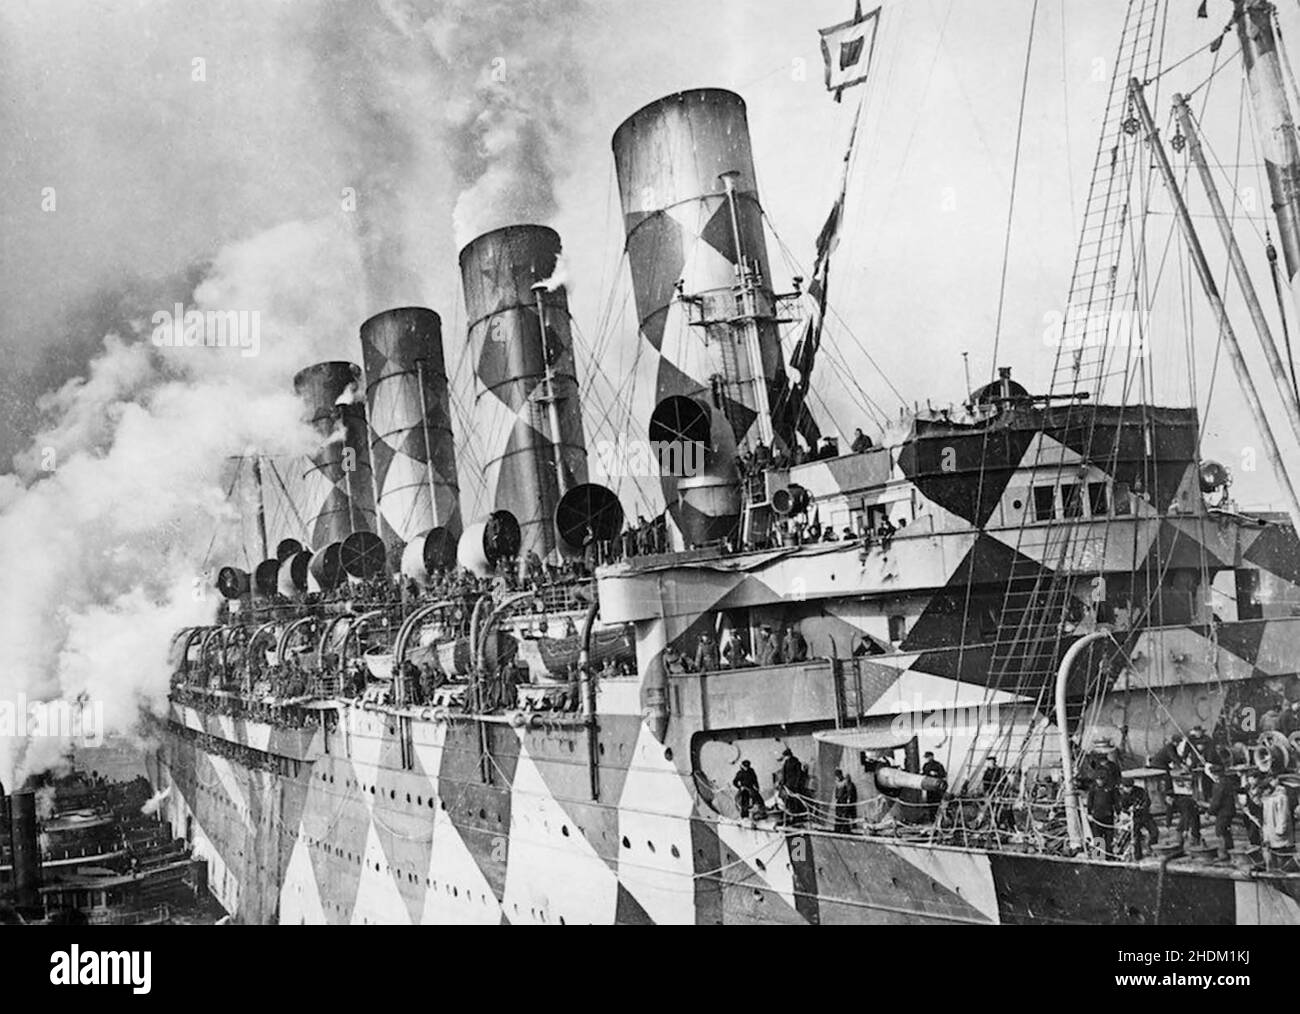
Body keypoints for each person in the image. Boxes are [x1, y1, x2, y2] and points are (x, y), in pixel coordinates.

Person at [1204, 764, 1238, 861]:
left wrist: (1209, 812)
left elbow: (1216, 801)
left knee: (1220, 831)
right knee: (1226, 831)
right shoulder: (1228, 782)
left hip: (1223, 812)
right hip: (1230, 810)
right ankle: (1231, 851)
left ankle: (1223, 854)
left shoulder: (1219, 785)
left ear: (1216, 774)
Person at [1123, 777, 1160, 860]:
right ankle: (1138, 856)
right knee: (1135, 837)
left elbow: (1147, 801)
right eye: (1126, 787)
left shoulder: (1140, 791)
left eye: (1130, 787)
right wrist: (1129, 810)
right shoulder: (1123, 795)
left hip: (1145, 815)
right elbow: (1122, 807)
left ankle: (1151, 848)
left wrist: (1141, 807)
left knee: (1155, 832)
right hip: (1134, 818)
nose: (1128, 789)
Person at [1086, 777, 1120, 858]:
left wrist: (1118, 813)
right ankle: (1098, 856)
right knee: (1097, 837)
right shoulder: (1093, 789)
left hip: (1108, 816)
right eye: (1098, 780)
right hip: (1097, 817)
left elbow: (1116, 801)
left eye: (1101, 780)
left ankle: (1109, 856)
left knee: (1109, 837)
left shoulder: (1111, 789)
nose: (1099, 781)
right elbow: (1089, 802)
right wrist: (1089, 813)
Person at [833, 769, 858, 833]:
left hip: (844, 801)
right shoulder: (837, 783)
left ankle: (845, 829)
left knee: (844, 816)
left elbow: (849, 791)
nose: (836, 778)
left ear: (840, 775)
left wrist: (848, 799)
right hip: (839, 801)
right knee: (838, 815)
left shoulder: (845, 782)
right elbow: (836, 792)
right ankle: (837, 829)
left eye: (837, 776)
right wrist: (836, 797)